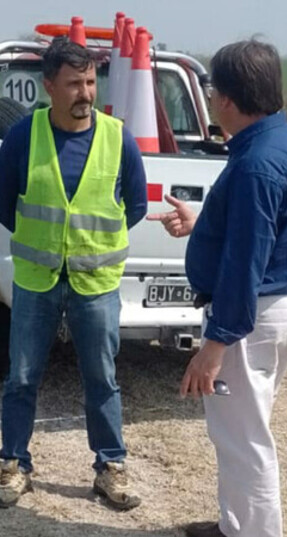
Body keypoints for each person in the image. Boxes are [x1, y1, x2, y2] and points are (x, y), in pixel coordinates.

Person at [147, 39, 287, 537]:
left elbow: (247, 260)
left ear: (224, 99)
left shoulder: (256, 164)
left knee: (244, 440)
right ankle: (237, 525)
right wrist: (204, 222)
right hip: (277, 308)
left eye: (211, 91)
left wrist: (214, 345)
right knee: (244, 431)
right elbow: (265, 229)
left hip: (252, 317)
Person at [0, 36, 147, 510]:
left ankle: (110, 468)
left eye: (89, 81)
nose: (85, 92)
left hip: (95, 283)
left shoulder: (117, 137)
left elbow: (136, 207)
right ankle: (13, 464)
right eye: (74, 84)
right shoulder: (24, 136)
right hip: (36, 279)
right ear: (49, 87)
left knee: (101, 379)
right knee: (21, 377)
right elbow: (4, 204)